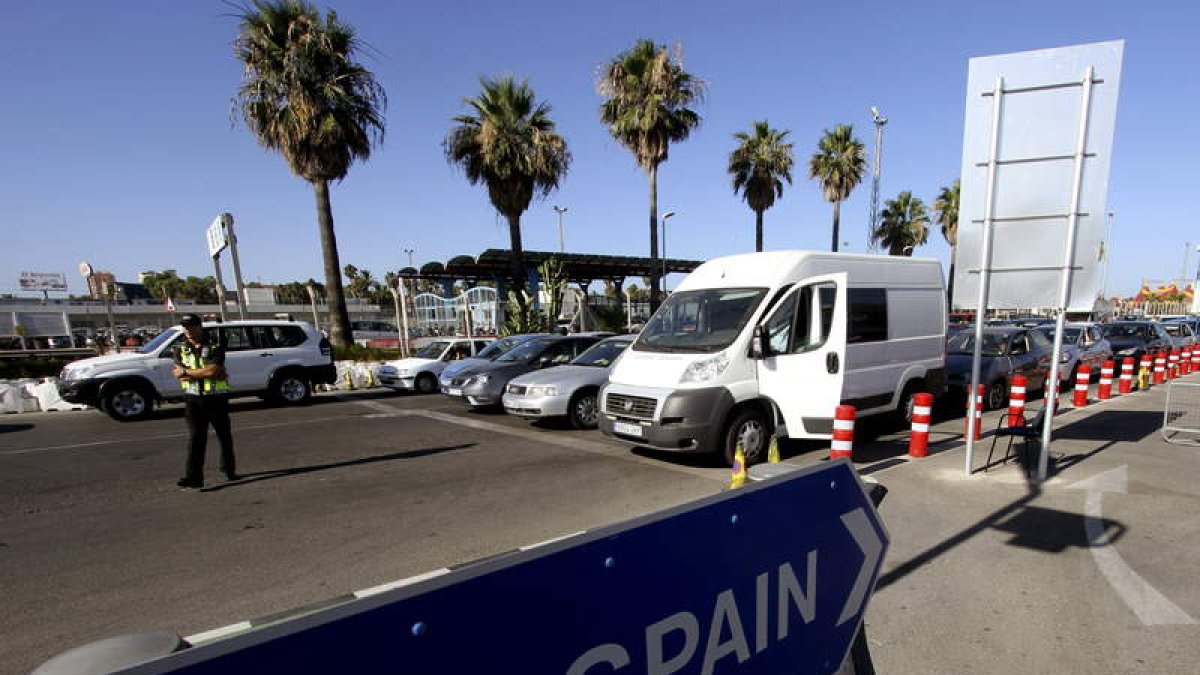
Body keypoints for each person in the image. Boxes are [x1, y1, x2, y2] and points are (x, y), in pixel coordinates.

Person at [173, 314, 237, 490]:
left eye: (192, 326)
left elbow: (213, 370)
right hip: (193, 399)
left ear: (199, 327)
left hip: (216, 398)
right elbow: (177, 373)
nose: (189, 330)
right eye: (185, 327)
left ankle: (228, 469)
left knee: (224, 436)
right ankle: (193, 477)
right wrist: (194, 372)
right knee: (195, 438)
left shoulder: (215, 346)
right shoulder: (180, 349)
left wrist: (187, 372)